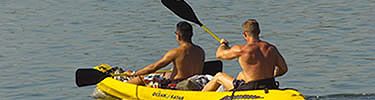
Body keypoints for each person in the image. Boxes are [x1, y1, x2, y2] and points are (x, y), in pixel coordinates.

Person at [202, 19, 288, 91]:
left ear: (245, 34)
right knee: (241, 75)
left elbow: (219, 55)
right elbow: (283, 69)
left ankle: (199, 96)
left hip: (250, 88)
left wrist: (223, 45)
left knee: (219, 76)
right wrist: (272, 74)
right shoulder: (271, 48)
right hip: (270, 85)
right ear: (259, 32)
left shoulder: (241, 50)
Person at [124, 21, 205, 89]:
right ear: (191, 35)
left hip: (177, 85)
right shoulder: (201, 51)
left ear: (178, 36)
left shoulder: (175, 52)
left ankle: (122, 86)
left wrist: (134, 73)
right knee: (166, 74)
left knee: (141, 78)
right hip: (195, 83)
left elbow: (153, 67)